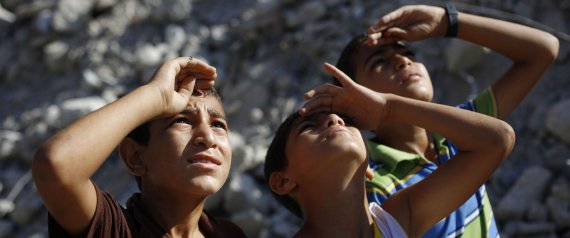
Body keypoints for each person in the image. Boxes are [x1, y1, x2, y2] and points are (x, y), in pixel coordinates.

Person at [334, 4, 559, 237]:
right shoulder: (372, 183)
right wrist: (388, 108)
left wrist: (447, 22)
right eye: (379, 63)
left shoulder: (463, 131)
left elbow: (544, 50)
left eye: (408, 53)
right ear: (353, 101)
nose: (403, 61)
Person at [265, 62, 515, 237]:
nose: (335, 120)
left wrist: (387, 108)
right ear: (283, 180)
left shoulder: (395, 223)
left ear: (369, 170)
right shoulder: (402, 219)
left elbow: (498, 140)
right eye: (309, 126)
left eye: (346, 121)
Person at [32, 57, 246, 237]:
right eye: (182, 121)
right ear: (135, 156)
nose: (207, 137)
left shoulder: (228, 234)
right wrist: (157, 95)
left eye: (218, 125)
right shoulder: (113, 229)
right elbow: (56, 165)